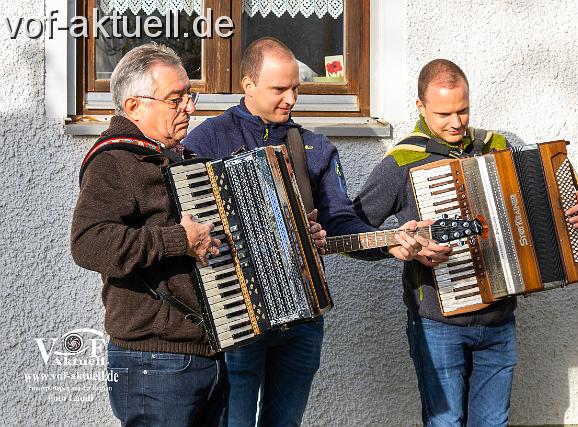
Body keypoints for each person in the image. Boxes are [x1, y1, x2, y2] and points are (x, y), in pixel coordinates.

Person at [183, 37, 426, 426]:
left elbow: (341, 222)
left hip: (303, 316)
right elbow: (187, 224)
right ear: (248, 85)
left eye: (296, 87)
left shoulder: (315, 147)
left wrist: (389, 243)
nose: (291, 98)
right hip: (238, 313)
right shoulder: (206, 140)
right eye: (279, 89)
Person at [353, 59, 578, 426]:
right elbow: (354, 230)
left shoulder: (496, 146)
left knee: (493, 423)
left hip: (499, 319)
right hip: (436, 322)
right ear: (420, 107)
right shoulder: (403, 160)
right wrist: (395, 247)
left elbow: (549, 203)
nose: (456, 122)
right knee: (445, 422)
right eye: (444, 113)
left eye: (463, 110)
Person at [70, 43, 227, 426]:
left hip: (208, 351)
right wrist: (178, 240)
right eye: (176, 99)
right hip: (153, 361)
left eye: (189, 97)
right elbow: (88, 243)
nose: (189, 108)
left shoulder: (179, 160)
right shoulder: (115, 160)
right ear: (135, 106)